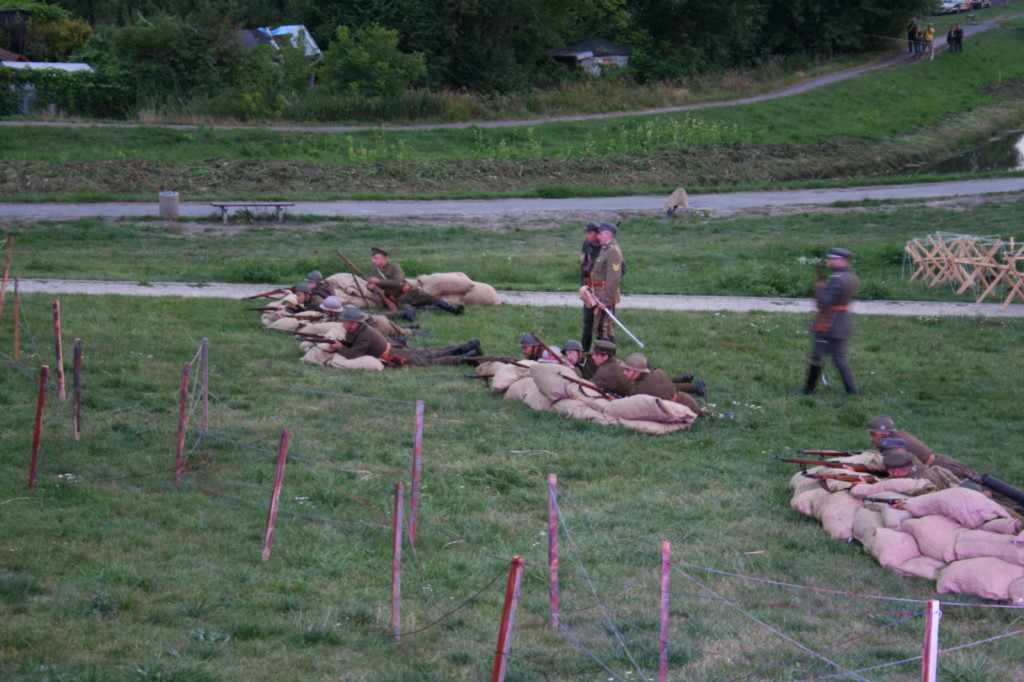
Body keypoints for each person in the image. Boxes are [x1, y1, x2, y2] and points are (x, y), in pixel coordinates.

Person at [321, 307, 481, 367]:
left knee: (428, 361)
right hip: (395, 347)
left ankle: (467, 357)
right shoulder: (361, 330)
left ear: (354, 323)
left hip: (394, 354)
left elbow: (355, 354)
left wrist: (339, 348)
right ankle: (467, 346)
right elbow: (353, 344)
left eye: (345, 322)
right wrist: (342, 343)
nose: (343, 324)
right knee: (429, 352)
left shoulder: (364, 334)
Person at [802, 247, 858, 395]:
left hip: (829, 323)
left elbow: (825, 301)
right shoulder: (849, 276)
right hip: (839, 323)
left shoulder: (839, 280)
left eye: (833, 259)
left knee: (817, 357)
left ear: (842, 260)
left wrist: (821, 289)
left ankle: (809, 389)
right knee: (838, 358)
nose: (830, 262)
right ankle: (851, 391)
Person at [869, 416, 979, 481]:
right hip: (941, 463)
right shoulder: (898, 435)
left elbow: (891, 471)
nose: (872, 439)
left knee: (983, 491)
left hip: (940, 469)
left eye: (874, 435)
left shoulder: (891, 444)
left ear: (885, 433)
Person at [365, 247, 465, 315]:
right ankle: (428, 309)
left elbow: (398, 283)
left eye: (375, 258)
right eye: (372, 258)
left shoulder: (394, 267)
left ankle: (454, 310)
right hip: (398, 299)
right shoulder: (374, 272)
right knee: (411, 311)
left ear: (383, 258)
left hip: (410, 292)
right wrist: (372, 288)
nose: (372, 261)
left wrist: (378, 281)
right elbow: (378, 290)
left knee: (432, 298)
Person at [583, 222, 624, 343]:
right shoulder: (605, 249)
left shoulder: (613, 252)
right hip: (600, 294)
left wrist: (606, 300)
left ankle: (604, 355)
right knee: (605, 328)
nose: (598, 237)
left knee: (602, 328)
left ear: (607, 234)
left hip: (605, 295)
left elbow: (613, 278)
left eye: (600, 234)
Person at [579, 223, 602, 351]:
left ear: (597, 234)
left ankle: (601, 351)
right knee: (587, 322)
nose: (587, 235)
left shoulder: (605, 248)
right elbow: (584, 267)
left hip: (600, 289)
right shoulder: (586, 245)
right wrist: (583, 288)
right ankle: (585, 351)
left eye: (590, 233)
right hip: (588, 288)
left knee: (600, 325)